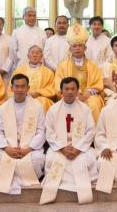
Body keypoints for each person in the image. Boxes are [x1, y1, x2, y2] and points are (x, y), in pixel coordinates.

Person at [40, 77, 98, 205]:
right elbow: (49, 133)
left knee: (88, 159)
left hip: (80, 148)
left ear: (78, 91)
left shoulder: (85, 109)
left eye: (73, 89)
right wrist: (62, 148)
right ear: (61, 91)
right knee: (51, 158)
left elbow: (90, 131)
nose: (70, 92)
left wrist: (77, 148)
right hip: (60, 148)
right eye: (66, 89)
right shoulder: (53, 110)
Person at [0, 74, 46, 194]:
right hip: (8, 148)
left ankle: (9, 179)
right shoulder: (3, 108)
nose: (20, 90)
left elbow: (41, 132)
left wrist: (28, 149)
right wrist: (7, 148)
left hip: (29, 149)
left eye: (23, 86)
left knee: (39, 159)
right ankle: (17, 179)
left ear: (28, 88)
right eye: (16, 86)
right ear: (11, 88)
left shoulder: (37, 107)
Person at [54, 23, 105, 122]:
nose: (77, 48)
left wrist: (87, 94)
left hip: (88, 96)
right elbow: (58, 84)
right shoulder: (62, 65)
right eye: (74, 46)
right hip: (68, 95)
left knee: (94, 103)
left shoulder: (92, 65)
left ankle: (92, 134)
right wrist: (71, 94)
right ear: (70, 49)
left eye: (80, 46)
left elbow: (98, 83)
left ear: (85, 48)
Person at [11, 45, 57, 112]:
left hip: (40, 98)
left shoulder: (48, 72)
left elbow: (51, 89)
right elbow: (11, 87)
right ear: (28, 56)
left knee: (44, 103)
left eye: (37, 53)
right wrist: (23, 94)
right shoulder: (19, 70)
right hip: (21, 97)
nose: (35, 55)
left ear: (41, 56)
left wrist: (38, 93)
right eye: (32, 53)